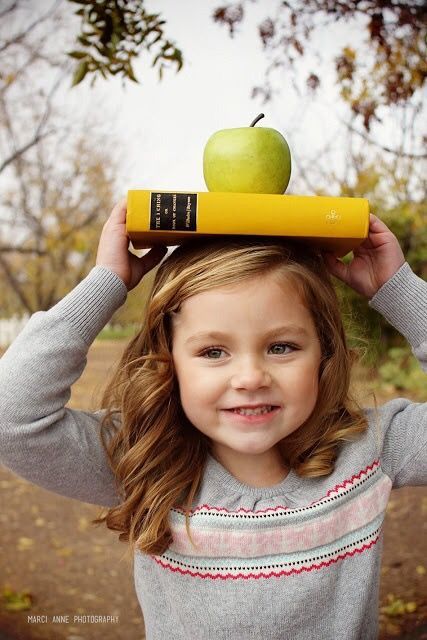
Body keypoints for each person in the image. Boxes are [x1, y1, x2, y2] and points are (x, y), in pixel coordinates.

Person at [0, 199, 425, 640]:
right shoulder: (147, 462)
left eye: (281, 347)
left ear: (325, 353)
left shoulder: (371, 448)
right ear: (170, 363)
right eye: (213, 352)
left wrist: (399, 290)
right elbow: (11, 416)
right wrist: (107, 283)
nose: (250, 378)